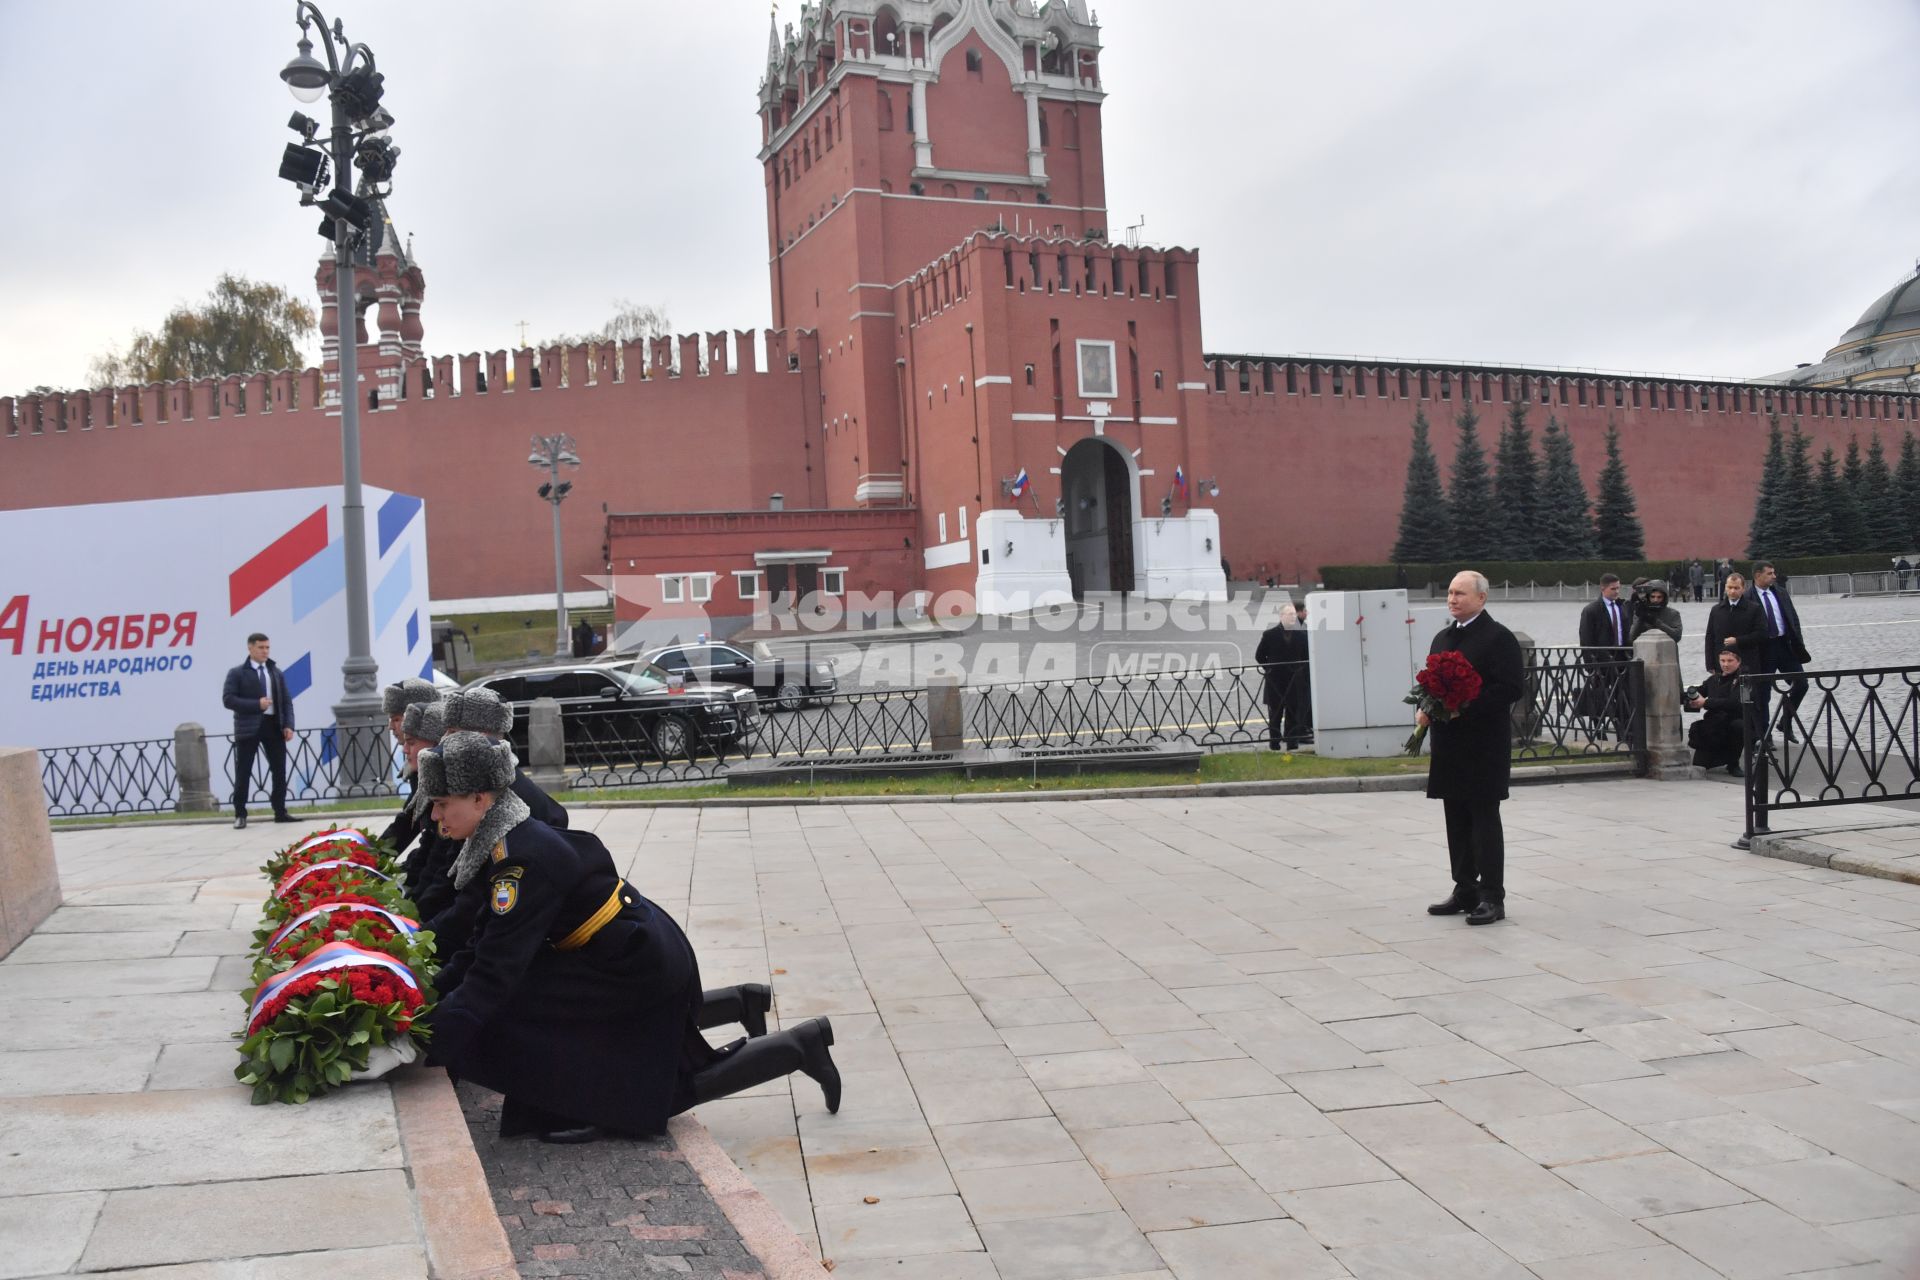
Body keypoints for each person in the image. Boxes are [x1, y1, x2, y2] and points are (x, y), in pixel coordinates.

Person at [419, 732, 836, 1143]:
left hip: (633, 966)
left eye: (442, 805)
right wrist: (421, 998)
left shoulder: (519, 859)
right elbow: (481, 946)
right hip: (615, 954)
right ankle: (577, 1099)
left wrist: (428, 1038)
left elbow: (492, 973)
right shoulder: (502, 842)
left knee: (653, 1092)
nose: (436, 816)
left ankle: (798, 1047)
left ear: (480, 798)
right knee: (548, 1023)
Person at [1422, 571, 1525, 926]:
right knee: (1455, 817)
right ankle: (1464, 887)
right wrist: (1427, 705)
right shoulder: (1442, 638)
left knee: (1483, 818)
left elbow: (1511, 687)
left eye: (1460, 594)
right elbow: (1431, 682)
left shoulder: (1498, 638)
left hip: (1483, 744)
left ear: (1481, 598)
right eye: (1450, 593)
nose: (1452, 599)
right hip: (1450, 743)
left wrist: (1466, 704)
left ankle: (1492, 896)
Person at [438, 687, 569, 830]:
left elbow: (556, 819)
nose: (444, 739)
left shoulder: (507, 789)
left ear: (481, 737)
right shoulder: (482, 780)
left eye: (452, 732)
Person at [222, 632, 295, 829]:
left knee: (279, 769)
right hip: (249, 727)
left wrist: (288, 725)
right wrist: (257, 704)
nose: (265, 651)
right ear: (250, 648)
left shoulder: (275, 672)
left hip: (273, 725)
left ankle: (280, 810)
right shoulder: (237, 673)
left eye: (267, 648)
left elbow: (286, 701)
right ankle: (240, 814)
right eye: (261, 647)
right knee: (244, 770)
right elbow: (228, 699)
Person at [1750, 560, 1812, 739]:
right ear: (1757, 576)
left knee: (1801, 684)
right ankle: (1764, 735)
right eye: (1769, 573)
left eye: (1773, 573)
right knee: (1762, 694)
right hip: (1763, 649)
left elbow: (1793, 618)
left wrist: (1797, 642)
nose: (1774, 576)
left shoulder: (1781, 593)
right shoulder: (1749, 597)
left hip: (1784, 646)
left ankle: (1785, 721)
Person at [380, 677, 442, 854]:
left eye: (396, 718)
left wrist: (375, 858)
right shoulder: (418, 761)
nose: (391, 727)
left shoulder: (431, 762)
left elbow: (411, 824)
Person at [1575, 574, 1630, 736]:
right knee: (1600, 695)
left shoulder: (1622, 606)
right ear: (1603, 588)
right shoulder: (1591, 610)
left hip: (1621, 657)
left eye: (1618, 588)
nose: (1616, 591)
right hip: (1601, 659)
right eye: (1613, 588)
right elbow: (1585, 638)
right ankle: (1598, 728)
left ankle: (1623, 729)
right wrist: (1590, 665)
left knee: (1623, 694)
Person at [1686, 647, 1747, 775]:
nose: (1726, 664)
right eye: (1723, 660)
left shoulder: (1745, 680)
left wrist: (1705, 703)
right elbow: (1699, 691)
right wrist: (1690, 696)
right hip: (1714, 725)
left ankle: (1733, 763)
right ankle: (1720, 757)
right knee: (1699, 764)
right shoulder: (1714, 679)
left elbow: (1735, 702)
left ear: (1738, 662)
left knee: (1739, 726)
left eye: (1730, 661)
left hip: (1734, 721)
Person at [1704, 572, 1766, 675]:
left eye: (1736, 588)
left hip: (1746, 662)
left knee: (1745, 690)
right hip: (1722, 664)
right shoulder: (1716, 610)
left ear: (1743, 588)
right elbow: (1710, 637)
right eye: (1730, 587)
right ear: (1725, 588)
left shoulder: (1754, 609)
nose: (1732, 591)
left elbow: (1761, 634)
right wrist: (1709, 664)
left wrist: (1738, 640)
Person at [1629, 580, 1682, 645]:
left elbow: (1677, 636)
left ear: (1664, 598)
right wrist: (1641, 619)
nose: (1655, 600)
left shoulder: (1673, 613)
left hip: (1667, 651)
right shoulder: (1642, 612)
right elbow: (1632, 638)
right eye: (1652, 597)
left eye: (1659, 597)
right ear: (1648, 597)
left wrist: (1655, 622)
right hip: (1645, 650)